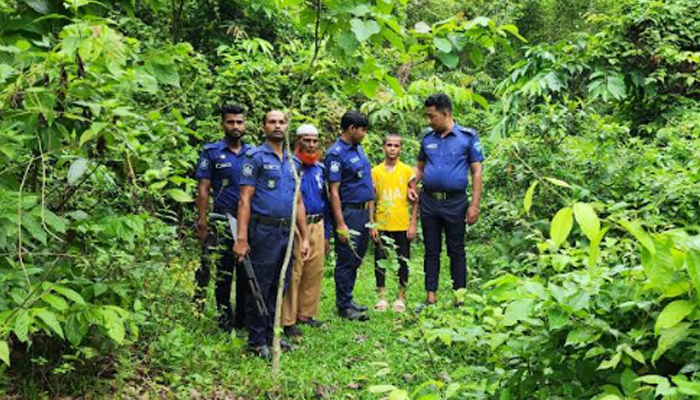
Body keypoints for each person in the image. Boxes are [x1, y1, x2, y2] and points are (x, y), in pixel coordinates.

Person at [234, 110, 311, 358]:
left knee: (281, 284)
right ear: (264, 126)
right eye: (272, 122)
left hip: (286, 233)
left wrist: (305, 236)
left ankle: (270, 335)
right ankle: (256, 341)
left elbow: (298, 202)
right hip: (262, 230)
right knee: (260, 284)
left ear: (287, 127)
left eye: (282, 122)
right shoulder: (254, 157)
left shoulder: (294, 162)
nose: (277, 126)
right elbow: (245, 200)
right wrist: (242, 238)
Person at [410, 93, 484, 307]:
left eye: (432, 116)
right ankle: (430, 297)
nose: (429, 121)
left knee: (456, 250)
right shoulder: (427, 138)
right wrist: (412, 182)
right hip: (429, 202)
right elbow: (420, 167)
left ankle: (459, 298)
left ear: (446, 114)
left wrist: (474, 206)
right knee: (431, 250)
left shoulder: (468, 137)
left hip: (455, 203)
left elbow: (477, 172)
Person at [194, 104, 250, 332]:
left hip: (248, 222)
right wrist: (202, 220)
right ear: (223, 124)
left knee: (246, 270)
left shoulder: (253, 153)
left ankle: (243, 318)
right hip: (222, 219)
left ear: (245, 124)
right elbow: (203, 189)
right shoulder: (212, 152)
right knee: (224, 271)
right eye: (231, 122)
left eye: (239, 122)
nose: (235, 126)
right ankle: (224, 318)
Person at [281, 124, 331, 338]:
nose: (311, 145)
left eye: (314, 141)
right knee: (294, 272)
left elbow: (326, 201)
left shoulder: (320, 169)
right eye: (306, 140)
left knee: (314, 269)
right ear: (297, 141)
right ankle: (288, 320)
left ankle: (306, 313)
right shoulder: (289, 166)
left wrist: (327, 233)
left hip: (317, 223)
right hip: (296, 225)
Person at [325, 111, 374, 321]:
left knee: (356, 257)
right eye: (362, 130)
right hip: (349, 212)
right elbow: (333, 191)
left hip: (363, 212)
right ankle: (343, 306)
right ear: (352, 129)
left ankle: (349, 298)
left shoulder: (359, 149)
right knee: (346, 259)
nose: (364, 134)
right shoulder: (336, 154)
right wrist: (341, 223)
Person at [370, 134, 418, 313]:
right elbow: (371, 199)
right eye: (389, 145)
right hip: (382, 223)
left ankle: (400, 297)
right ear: (383, 147)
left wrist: (412, 224)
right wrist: (372, 223)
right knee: (379, 259)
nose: (392, 148)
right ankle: (381, 297)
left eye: (396, 145)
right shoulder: (375, 171)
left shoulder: (407, 171)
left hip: (401, 223)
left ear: (400, 149)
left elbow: (415, 199)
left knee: (403, 260)